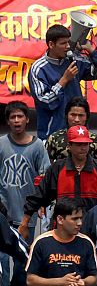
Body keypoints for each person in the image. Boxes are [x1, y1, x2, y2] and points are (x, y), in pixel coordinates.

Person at [19, 125, 97, 239]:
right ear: (69, 146)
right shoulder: (58, 168)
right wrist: (24, 222)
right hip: (63, 232)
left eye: (85, 144)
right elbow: (40, 195)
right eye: (78, 144)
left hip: (94, 231)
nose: (83, 148)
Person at [28, 23, 97, 140]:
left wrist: (90, 50)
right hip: (52, 135)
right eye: (63, 43)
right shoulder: (39, 68)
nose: (68, 46)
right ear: (51, 44)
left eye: (68, 42)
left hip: (79, 133)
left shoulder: (73, 60)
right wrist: (64, 80)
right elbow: (45, 101)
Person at [0, 101, 49, 238]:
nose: (16, 120)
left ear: (27, 119)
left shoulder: (37, 145)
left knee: (22, 256)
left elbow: (45, 176)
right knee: (2, 258)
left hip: (27, 215)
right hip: (3, 212)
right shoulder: (1, 143)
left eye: (20, 116)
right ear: (8, 121)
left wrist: (42, 204)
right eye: (13, 117)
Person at [25, 197, 97, 286]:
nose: (80, 223)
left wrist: (83, 282)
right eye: (75, 219)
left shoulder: (86, 243)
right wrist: (60, 282)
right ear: (60, 219)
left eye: (80, 218)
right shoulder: (41, 242)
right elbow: (30, 280)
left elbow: (94, 278)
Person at [45, 97, 97, 163]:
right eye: (73, 115)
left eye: (81, 115)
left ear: (87, 117)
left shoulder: (95, 140)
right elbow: (47, 166)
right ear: (66, 116)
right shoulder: (54, 138)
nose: (77, 120)